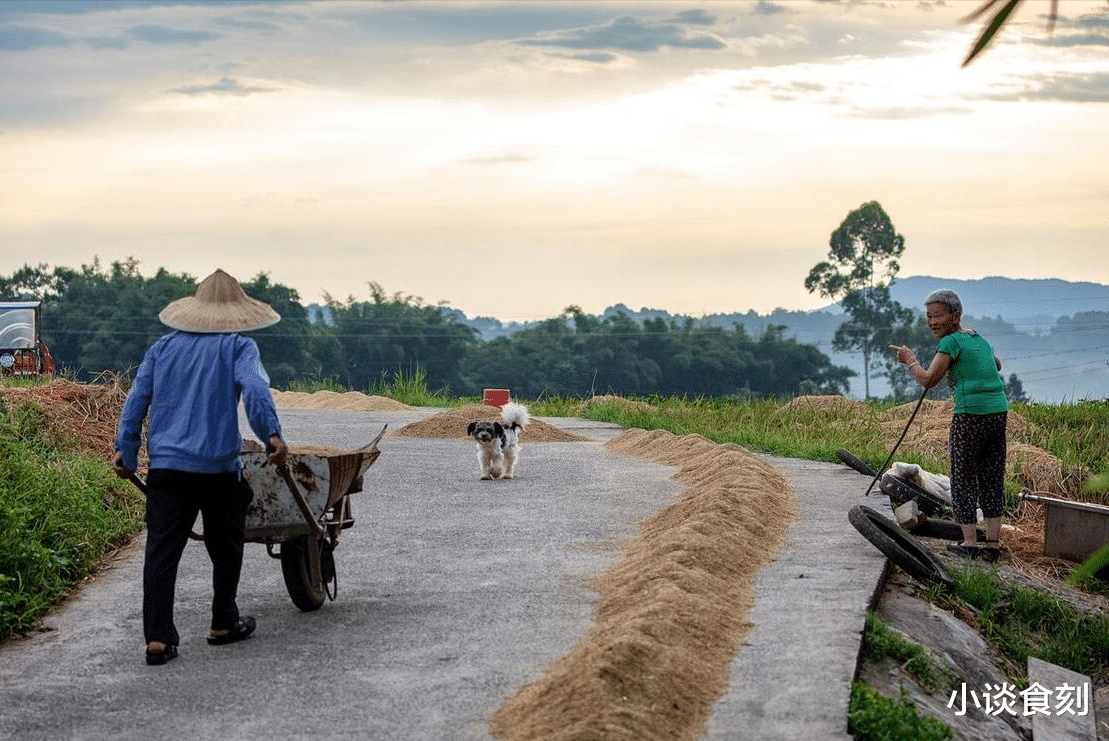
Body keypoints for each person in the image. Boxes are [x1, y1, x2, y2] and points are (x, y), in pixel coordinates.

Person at [112, 269, 288, 665]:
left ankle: (158, 639)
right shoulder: (239, 347)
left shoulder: (162, 348)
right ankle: (223, 621)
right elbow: (257, 390)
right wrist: (272, 435)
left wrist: (125, 448)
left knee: (160, 552)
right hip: (218, 469)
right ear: (237, 313)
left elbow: (136, 399)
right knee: (226, 545)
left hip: (167, 470)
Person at [889, 289, 1008, 561]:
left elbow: (929, 379)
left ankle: (969, 543)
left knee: (963, 476)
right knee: (991, 477)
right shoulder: (976, 338)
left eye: (938, 315)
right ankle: (992, 545)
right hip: (998, 413)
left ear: (955, 316)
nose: (932, 321)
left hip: (970, 416)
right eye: (929, 316)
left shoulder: (951, 342)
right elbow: (997, 364)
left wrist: (910, 361)